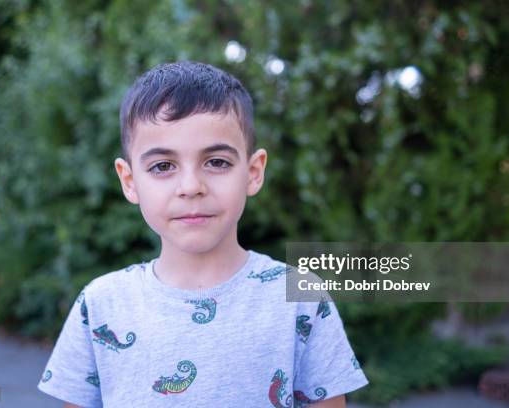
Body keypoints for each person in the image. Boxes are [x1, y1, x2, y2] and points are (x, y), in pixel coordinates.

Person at [37, 61, 368, 407]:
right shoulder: (101, 304)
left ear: (253, 173)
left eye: (217, 162)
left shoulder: (300, 298)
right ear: (130, 181)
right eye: (163, 166)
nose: (191, 186)